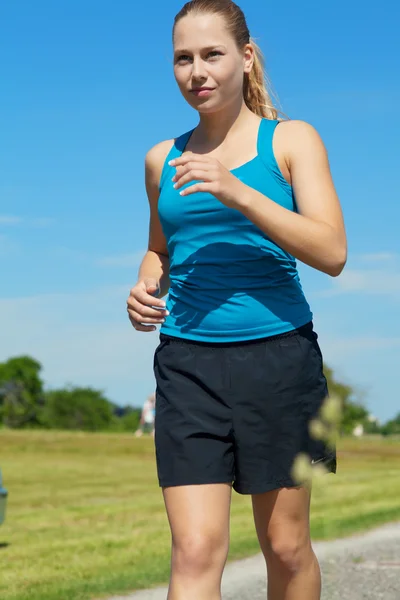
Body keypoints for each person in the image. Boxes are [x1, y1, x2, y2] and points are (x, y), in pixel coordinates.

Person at [126, 1, 347, 598]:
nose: (196, 71)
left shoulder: (291, 140)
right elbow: (161, 250)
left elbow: (332, 252)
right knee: (195, 551)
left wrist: (240, 193)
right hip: (187, 366)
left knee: (285, 547)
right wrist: (146, 287)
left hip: (280, 361)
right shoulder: (160, 160)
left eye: (211, 55)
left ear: (245, 58)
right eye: (182, 58)